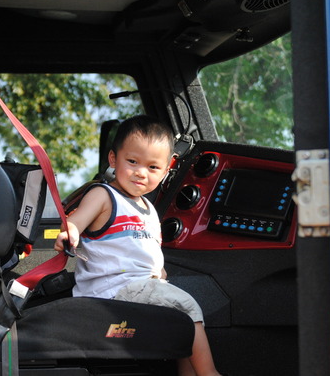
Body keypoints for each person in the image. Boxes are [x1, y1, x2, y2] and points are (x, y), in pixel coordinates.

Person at [54, 115, 222, 376]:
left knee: (181, 321)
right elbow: (76, 220)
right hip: (112, 289)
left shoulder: (149, 211)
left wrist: (159, 273)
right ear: (113, 159)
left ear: (166, 171)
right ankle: (209, 373)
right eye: (132, 162)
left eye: (153, 167)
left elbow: (147, 253)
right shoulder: (104, 195)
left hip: (139, 287)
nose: (141, 172)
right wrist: (70, 233)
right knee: (188, 308)